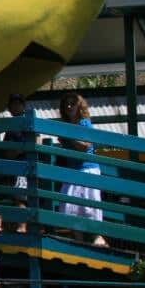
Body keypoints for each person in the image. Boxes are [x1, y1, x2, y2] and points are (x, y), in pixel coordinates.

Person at [57, 92, 108, 247]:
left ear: (79, 106)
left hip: (87, 169)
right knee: (73, 205)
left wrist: (68, 137)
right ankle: (78, 238)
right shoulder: (67, 126)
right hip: (74, 170)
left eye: (72, 103)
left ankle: (97, 236)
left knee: (90, 203)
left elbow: (85, 146)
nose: (69, 106)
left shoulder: (84, 123)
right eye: (66, 104)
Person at [0, 93, 31, 234]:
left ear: (22, 105)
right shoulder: (13, 123)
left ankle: (22, 227)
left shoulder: (25, 121)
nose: (13, 106)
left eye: (16, 103)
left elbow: (33, 141)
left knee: (20, 197)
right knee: (16, 197)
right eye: (11, 104)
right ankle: (18, 226)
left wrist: (15, 153)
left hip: (22, 165)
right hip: (13, 165)